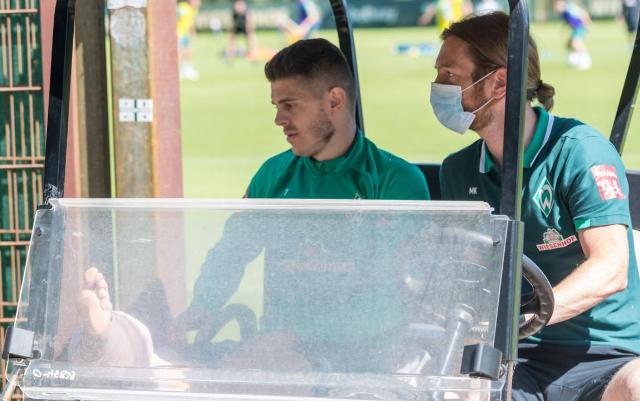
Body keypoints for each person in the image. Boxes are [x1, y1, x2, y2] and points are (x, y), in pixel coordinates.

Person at [74, 38, 431, 371]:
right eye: (277, 107)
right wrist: (204, 304)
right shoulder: (273, 175)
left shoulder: (396, 182)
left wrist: (296, 335)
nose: (279, 120)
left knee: (218, 373)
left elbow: (392, 298)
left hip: (362, 359)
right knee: (184, 361)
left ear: (335, 101)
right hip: (274, 352)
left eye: (290, 106)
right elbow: (232, 250)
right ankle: (119, 340)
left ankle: (122, 343)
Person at [431, 12, 640, 401]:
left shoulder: (579, 152)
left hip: (604, 356)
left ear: (499, 82)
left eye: (450, 75)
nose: (438, 88)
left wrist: (527, 318)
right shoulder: (458, 171)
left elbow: (611, 269)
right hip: (512, 358)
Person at [555, 0, 592, 70]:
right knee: (569, 44)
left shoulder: (569, 8)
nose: (556, 7)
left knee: (575, 43)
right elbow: (571, 21)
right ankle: (575, 57)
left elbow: (583, 13)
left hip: (580, 27)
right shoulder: (564, 12)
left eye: (557, 4)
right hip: (576, 28)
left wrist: (588, 23)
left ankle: (586, 61)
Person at [177, 0, 201, 80]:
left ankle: (187, 69)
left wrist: (193, 32)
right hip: (178, 33)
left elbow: (192, 22)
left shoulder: (194, 9)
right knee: (179, 53)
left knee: (188, 52)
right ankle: (177, 71)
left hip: (185, 34)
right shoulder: (183, 7)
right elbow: (175, 18)